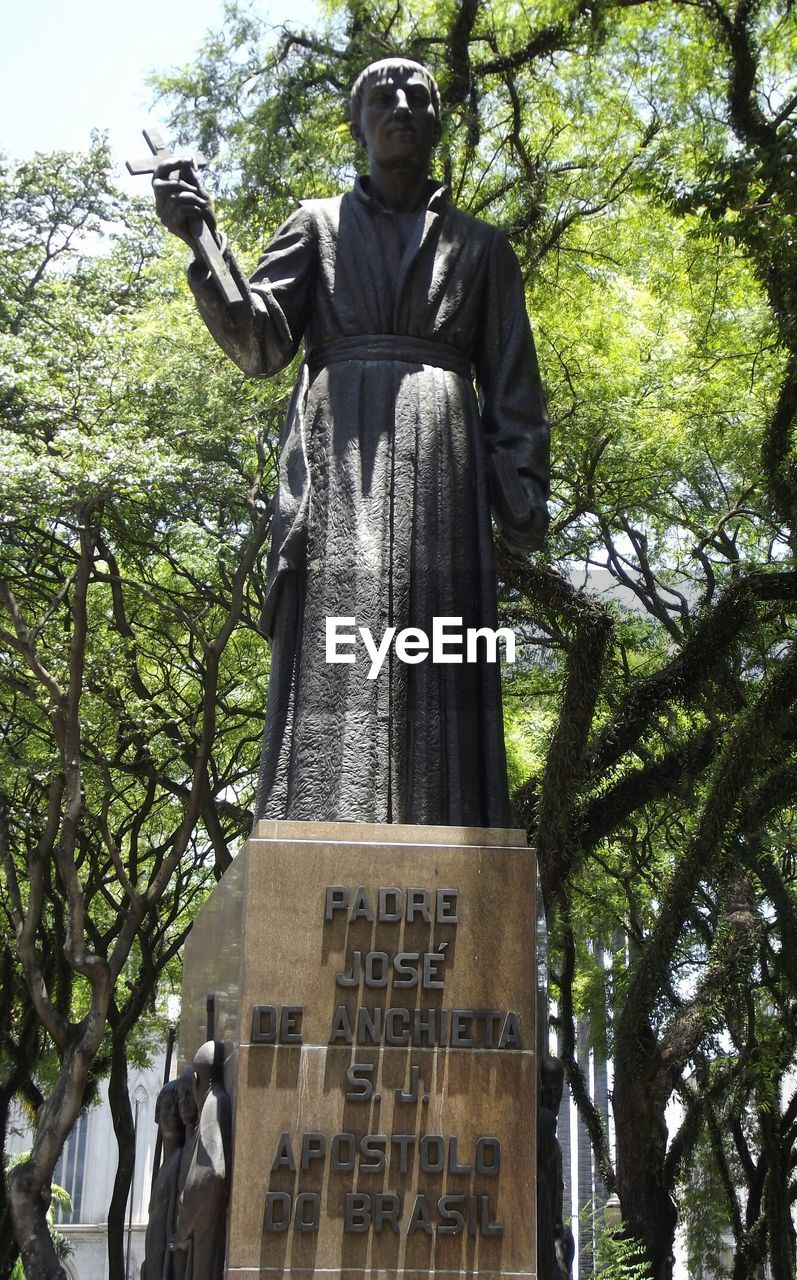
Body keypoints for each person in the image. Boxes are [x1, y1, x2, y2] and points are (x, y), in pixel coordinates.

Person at [154, 57, 549, 828]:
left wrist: (521, 492)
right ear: (359, 123)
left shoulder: (483, 249)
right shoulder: (317, 225)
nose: (399, 106)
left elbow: (512, 384)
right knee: (346, 612)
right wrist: (199, 237)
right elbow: (262, 345)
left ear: (438, 123)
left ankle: (444, 818)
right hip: (343, 453)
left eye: (417, 97)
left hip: (443, 457)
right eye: (380, 97)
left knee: (442, 642)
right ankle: (321, 819)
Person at [141, 1081, 185, 1280]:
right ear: (157, 1115)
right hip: (153, 1264)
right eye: (167, 1107)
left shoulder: (182, 1161)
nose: (173, 1114)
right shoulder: (163, 1168)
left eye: (178, 1106)